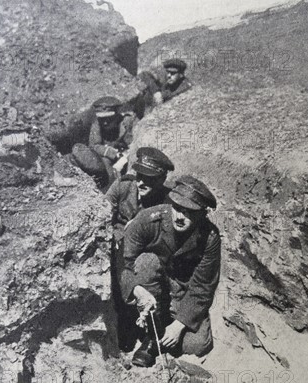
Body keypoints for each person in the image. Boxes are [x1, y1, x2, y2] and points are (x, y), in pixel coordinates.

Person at [120, 175, 221, 367]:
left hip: (180, 290)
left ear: (202, 214)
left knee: (197, 345)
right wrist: (136, 290)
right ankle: (151, 334)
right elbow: (124, 264)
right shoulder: (147, 220)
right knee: (146, 262)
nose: (179, 217)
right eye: (176, 208)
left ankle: (164, 327)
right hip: (149, 284)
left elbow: (203, 286)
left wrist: (179, 325)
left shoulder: (210, 238)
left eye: (189, 212)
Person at [106, 147, 175, 351]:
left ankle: (152, 334)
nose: (142, 183)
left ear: (162, 179)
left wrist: (139, 231)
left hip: (143, 254)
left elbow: (167, 243)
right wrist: (119, 235)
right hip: (115, 246)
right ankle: (123, 321)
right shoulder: (123, 186)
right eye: (140, 176)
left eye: (150, 179)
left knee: (148, 266)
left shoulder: (168, 201)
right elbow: (99, 217)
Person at [71, 96, 134, 188]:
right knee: (105, 163)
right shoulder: (97, 123)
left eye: (109, 119)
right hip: (111, 156)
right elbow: (94, 145)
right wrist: (113, 153)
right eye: (102, 119)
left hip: (126, 155)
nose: (105, 123)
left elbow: (135, 144)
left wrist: (125, 157)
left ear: (117, 115)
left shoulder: (126, 122)